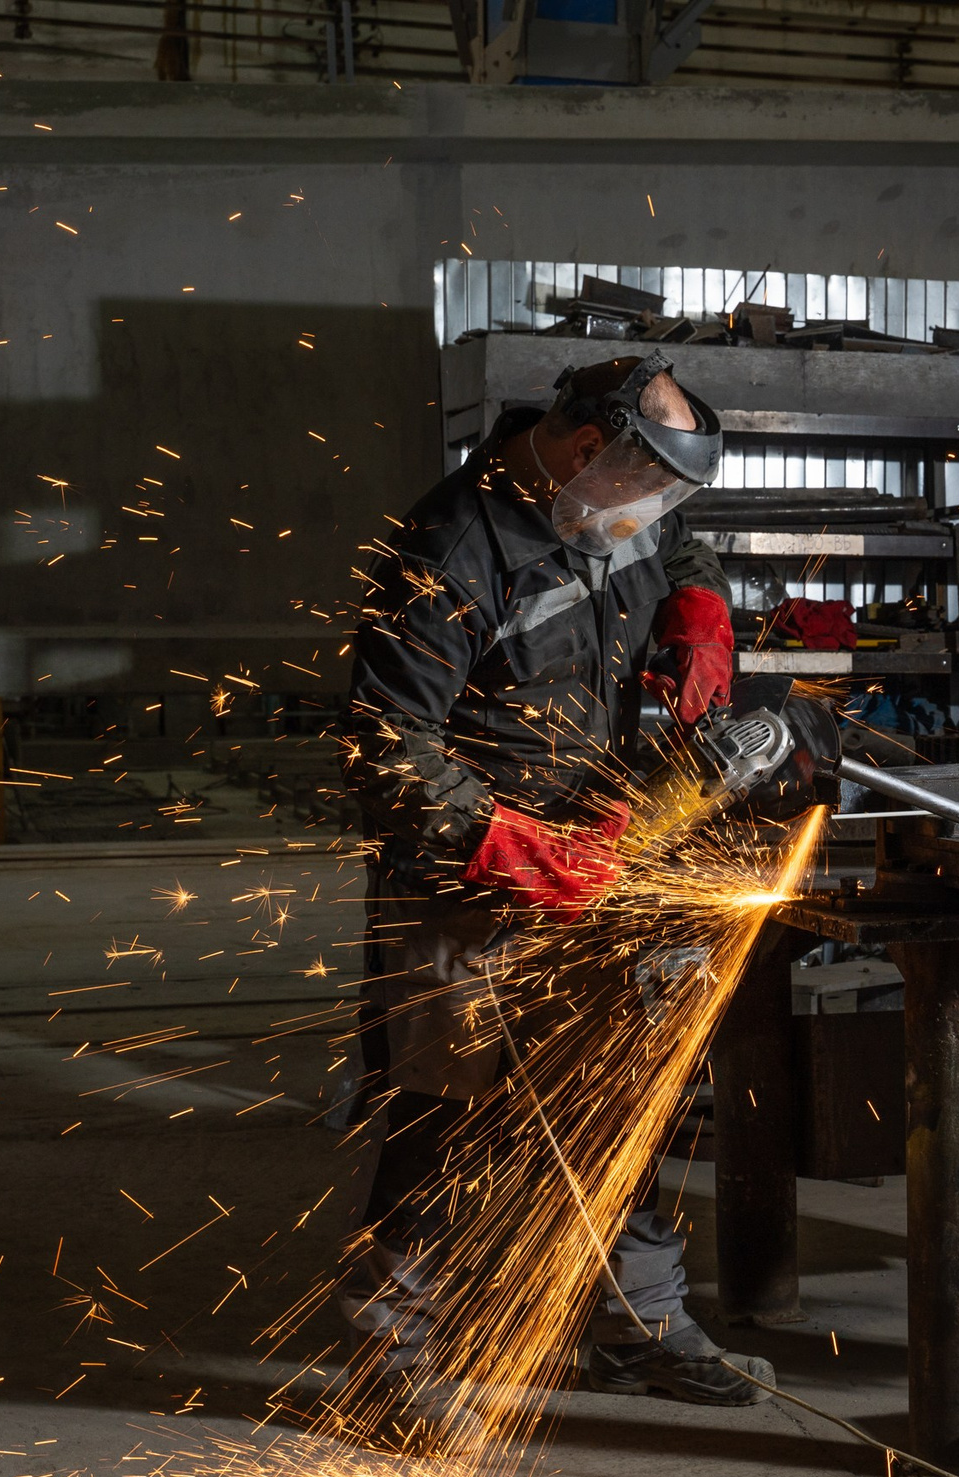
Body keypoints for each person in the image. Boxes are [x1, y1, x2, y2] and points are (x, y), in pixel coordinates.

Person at [337, 354, 771, 1419]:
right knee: (444, 1126)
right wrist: (515, 851)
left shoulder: (607, 502)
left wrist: (700, 610)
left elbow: (677, 540)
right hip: (469, 891)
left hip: (609, 863)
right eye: (649, 489)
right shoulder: (451, 548)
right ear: (589, 449)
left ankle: (640, 1326)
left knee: (618, 1104)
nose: (655, 516)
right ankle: (389, 1364)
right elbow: (384, 746)